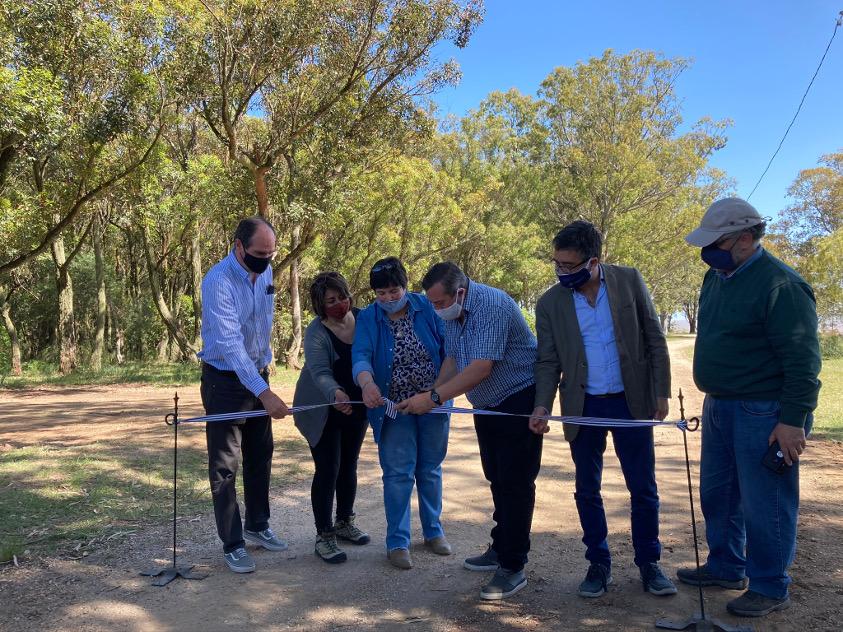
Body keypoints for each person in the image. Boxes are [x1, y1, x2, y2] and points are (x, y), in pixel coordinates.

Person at [679, 197, 821, 618]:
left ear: (745, 238)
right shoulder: (717, 276)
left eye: (716, 243)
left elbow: (803, 362)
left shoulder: (782, 286)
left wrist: (792, 422)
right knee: (718, 495)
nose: (708, 252)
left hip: (764, 410)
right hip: (720, 405)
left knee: (766, 501)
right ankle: (726, 565)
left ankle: (769, 584)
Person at [527, 221, 676, 598]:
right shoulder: (549, 304)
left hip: (632, 402)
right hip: (583, 404)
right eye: (556, 264)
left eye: (569, 265)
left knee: (643, 487)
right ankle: (598, 562)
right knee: (587, 488)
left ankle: (649, 562)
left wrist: (661, 392)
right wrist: (542, 404)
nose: (562, 272)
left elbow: (654, 339)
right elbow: (547, 361)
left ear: (594, 261)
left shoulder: (629, 281)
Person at [400, 261, 541, 601]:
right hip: (487, 404)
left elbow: (479, 368)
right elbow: (453, 358)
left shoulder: (491, 305)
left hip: (517, 399)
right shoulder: (455, 312)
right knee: (495, 475)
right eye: (431, 303)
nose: (436, 309)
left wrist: (433, 398)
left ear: (459, 292)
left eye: (439, 303)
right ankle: (500, 544)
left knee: (515, 482)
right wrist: (431, 394)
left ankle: (513, 565)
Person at [198, 216, 290, 574]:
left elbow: (261, 326)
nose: (264, 260)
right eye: (257, 253)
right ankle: (233, 543)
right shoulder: (218, 281)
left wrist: (265, 369)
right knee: (225, 465)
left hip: (256, 374)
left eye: (270, 254)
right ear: (238, 246)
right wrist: (264, 392)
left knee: (260, 454)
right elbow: (231, 345)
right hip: (225, 381)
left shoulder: (266, 272)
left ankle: (257, 524)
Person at [351, 257, 452, 570]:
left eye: (394, 291)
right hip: (392, 409)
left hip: (434, 403)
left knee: (430, 469)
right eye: (381, 293)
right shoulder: (368, 318)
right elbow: (361, 356)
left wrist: (435, 394)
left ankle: (434, 532)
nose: (388, 299)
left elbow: (450, 350)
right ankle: (397, 541)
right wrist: (366, 384)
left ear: (406, 287)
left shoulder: (428, 308)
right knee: (397, 474)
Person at [293, 272, 371, 564]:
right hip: (323, 408)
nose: (340, 304)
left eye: (342, 296)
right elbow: (320, 373)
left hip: (356, 405)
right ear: (320, 305)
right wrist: (335, 394)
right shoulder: (317, 332)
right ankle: (323, 535)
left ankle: (344, 522)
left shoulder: (365, 318)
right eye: (331, 301)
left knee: (349, 464)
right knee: (328, 467)